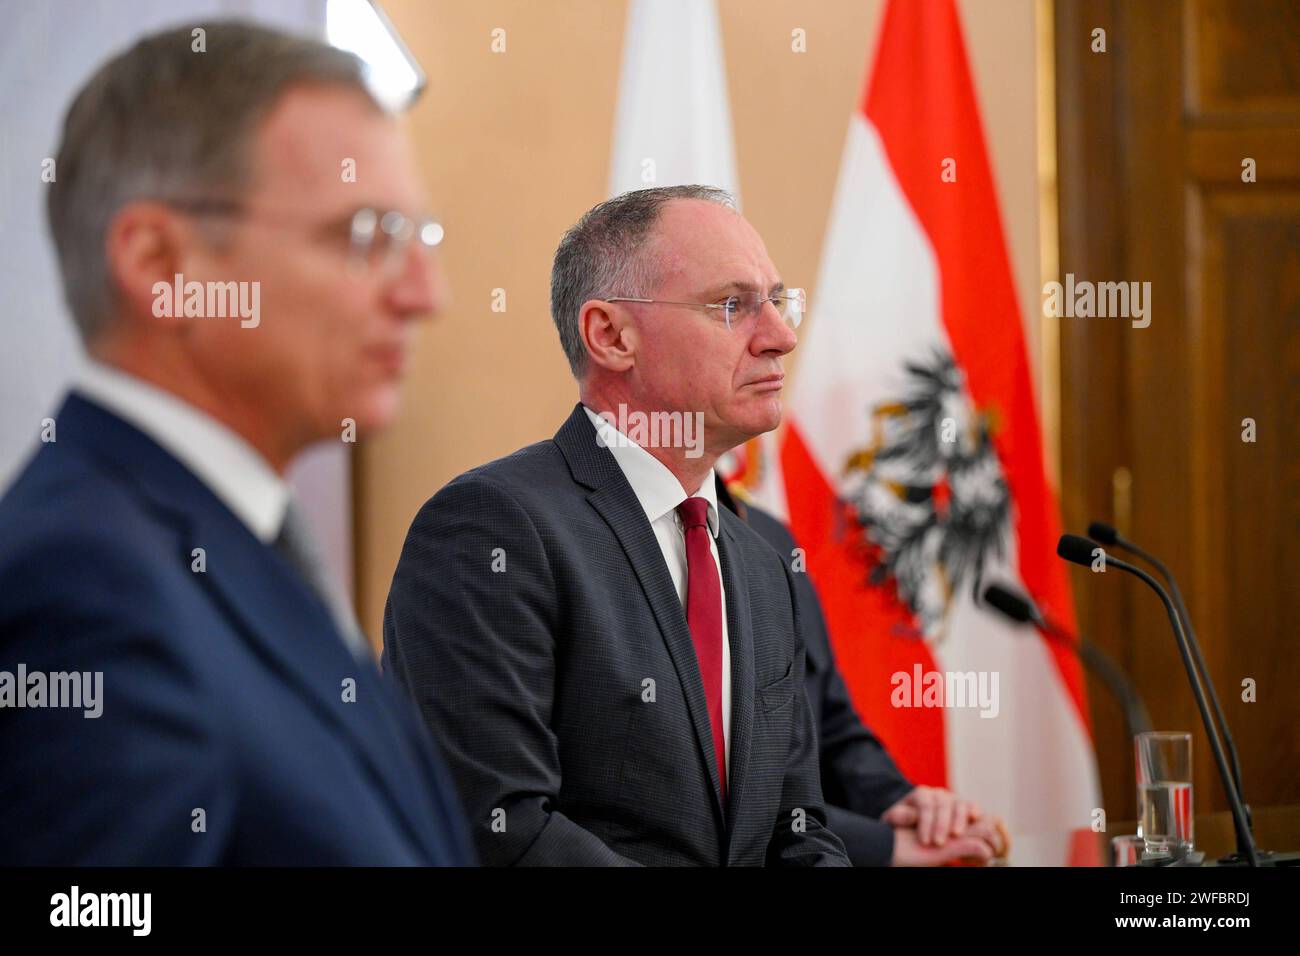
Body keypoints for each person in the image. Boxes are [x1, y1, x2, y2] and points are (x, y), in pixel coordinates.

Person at [0, 21, 471, 865]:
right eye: (366, 236)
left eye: (417, 238)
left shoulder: (241, 544)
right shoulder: (80, 589)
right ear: (160, 264)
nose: (423, 294)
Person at [384, 185, 849, 865]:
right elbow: (497, 822)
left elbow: (799, 827)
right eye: (732, 305)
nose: (780, 337)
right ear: (610, 336)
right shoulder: (492, 528)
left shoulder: (762, 566)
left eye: (778, 302)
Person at [716, 479, 1011, 865]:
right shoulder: (652, 535)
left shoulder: (769, 536)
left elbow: (829, 719)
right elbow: (720, 787)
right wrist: (881, 845)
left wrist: (898, 802)